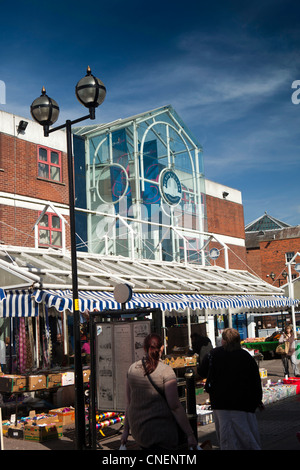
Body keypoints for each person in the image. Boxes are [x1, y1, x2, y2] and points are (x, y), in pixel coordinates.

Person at [121, 333, 198, 451]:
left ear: (144, 348)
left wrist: (126, 431)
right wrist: (190, 434)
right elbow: (175, 407)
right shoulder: (166, 371)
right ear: (162, 348)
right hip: (162, 432)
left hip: (139, 432)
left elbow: (129, 404)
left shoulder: (132, 369)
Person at [198, 328, 263, 450]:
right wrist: (257, 400)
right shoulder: (246, 356)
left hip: (220, 404)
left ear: (223, 340)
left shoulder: (213, 354)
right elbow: (255, 381)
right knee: (247, 438)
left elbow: (201, 371)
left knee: (226, 438)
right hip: (243, 404)